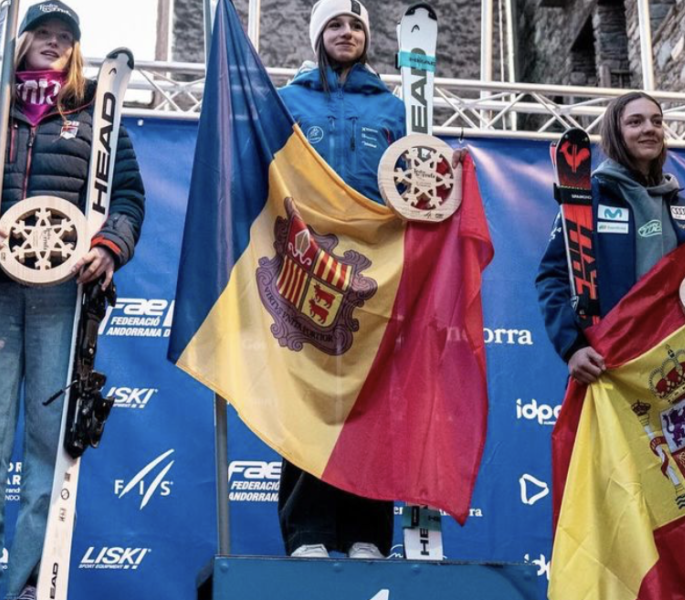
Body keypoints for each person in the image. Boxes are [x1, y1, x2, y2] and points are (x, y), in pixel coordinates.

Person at [0, 2, 145, 599]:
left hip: (63, 300)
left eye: (64, 37)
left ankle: (28, 584)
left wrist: (109, 246)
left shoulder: (97, 117)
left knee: (50, 448)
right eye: (43, 33)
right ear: (20, 41)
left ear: (75, 48)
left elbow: (127, 200)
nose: (53, 43)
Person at [274, 0, 404, 560]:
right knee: (309, 398)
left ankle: (365, 535)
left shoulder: (395, 108)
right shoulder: (285, 103)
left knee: (369, 401)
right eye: (335, 24)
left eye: (355, 25)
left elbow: (419, 181)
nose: (346, 33)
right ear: (317, 35)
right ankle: (308, 533)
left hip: (378, 268)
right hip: (307, 263)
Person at [536, 91, 685, 382]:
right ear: (616, 132)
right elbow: (552, 277)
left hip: (681, 364)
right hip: (611, 361)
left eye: (656, 121)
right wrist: (572, 347)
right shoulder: (588, 197)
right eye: (635, 122)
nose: (649, 128)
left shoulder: (681, 208)